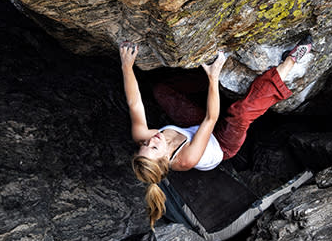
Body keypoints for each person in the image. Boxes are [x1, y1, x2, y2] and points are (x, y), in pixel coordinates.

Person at [119, 36, 313, 228]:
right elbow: (211, 118)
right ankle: (290, 61)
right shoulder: (186, 159)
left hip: (195, 128)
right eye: (154, 147)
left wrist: (126, 67)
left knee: (162, 91)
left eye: (144, 145)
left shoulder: (145, 137)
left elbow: (134, 103)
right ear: (165, 158)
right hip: (222, 143)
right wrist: (214, 76)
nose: (151, 139)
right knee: (241, 113)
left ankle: (206, 74)